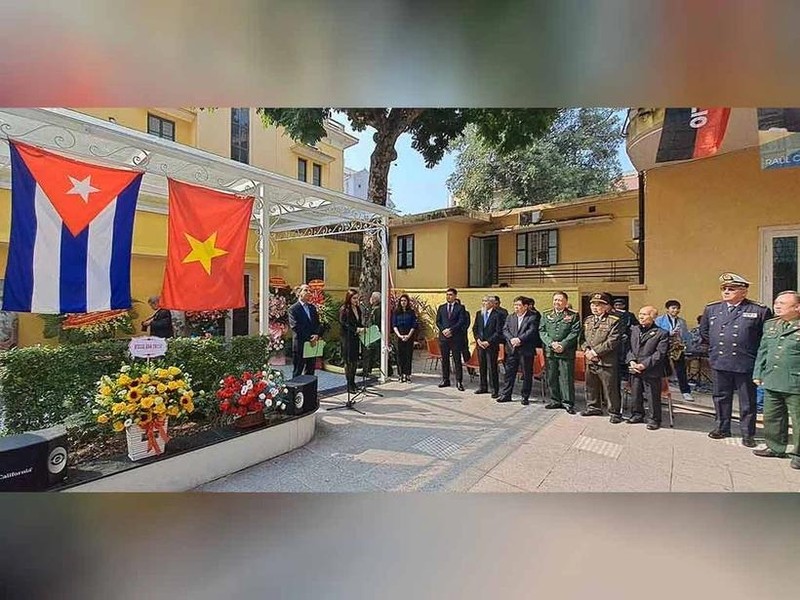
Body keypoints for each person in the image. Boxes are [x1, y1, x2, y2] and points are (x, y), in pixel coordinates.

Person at [700, 272, 772, 447]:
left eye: (731, 289)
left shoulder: (758, 310)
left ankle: (748, 433)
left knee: (747, 400)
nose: (726, 291)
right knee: (720, 397)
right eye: (724, 288)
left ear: (744, 291)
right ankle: (722, 427)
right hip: (720, 361)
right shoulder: (712, 309)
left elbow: (767, 337)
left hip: (745, 363)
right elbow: (704, 332)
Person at [752, 291, 800, 469]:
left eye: (782, 303)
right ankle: (775, 447)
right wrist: (758, 372)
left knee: (798, 420)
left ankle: (798, 454)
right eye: (776, 303)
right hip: (772, 379)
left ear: (797, 307)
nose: (777, 306)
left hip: (795, 382)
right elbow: (763, 351)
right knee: (772, 417)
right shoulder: (771, 325)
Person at [581, 292, 624, 422]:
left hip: (607, 360)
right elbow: (583, 339)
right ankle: (593, 407)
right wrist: (587, 350)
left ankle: (614, 413)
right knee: (591, 386)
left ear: (606, 306)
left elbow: (612, 341)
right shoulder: (588, 320)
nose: (595, 307)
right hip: (590, 359)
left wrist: (595, 352)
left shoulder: (614, 321)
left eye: (599, 305)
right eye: (593, 304)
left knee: (610, 388)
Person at [626, 306, 670, 430]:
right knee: (635, 393)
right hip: (635, 367)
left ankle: (654, 419)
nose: (641, 316)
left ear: (653, 317)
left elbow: (659, 354)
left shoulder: (661, 333)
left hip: (651, 369)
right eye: (640, 313)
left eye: (644, 314)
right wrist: (631, 361)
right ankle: (637, 414)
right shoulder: (634, 329)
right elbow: (628, 347)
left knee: (652, 396)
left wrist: (644, 364)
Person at [539, 291, 582, 414]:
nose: (557, 302)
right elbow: (542, 331)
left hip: (566, 352)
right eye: (555, 300)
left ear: (565, 302)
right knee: (551, 376)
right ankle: (555, 400)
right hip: (550, 351)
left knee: (566, 378)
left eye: (560, 300)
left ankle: (568, 402)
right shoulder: (546, 314)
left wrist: (563, 344)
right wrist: (551, 343)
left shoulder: (573, 315)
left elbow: (574, 332)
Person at [498, 296, 539, 405]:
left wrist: (520, 339)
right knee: (509, 373)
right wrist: (511, 339)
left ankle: (525, 396)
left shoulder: (532, 317)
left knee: (526, 374)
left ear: (525, 306)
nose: (516, 307)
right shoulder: (510, 317)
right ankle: (506, 394)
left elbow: (532, 331)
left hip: (525, 350)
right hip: (512, 349)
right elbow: (505, 329)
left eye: (519, 305)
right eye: (515, 305)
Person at [655, 299, 694, 401]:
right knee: (662, 370)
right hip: (663, 347)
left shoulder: (682, 322)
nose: (676, 310)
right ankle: (661, 391)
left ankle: (686, 392)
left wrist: (687, 347)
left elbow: (686, 336)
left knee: (681, 370)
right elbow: (656, 333)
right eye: (673, 308)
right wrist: (669, 333)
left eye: (677, 308)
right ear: (667, 309)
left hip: (676, 347)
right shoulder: (659, 320)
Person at [435, 288, 470, 391]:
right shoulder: (442, 308)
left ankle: (459, 381)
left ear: (455, 296)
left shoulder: (460, 308)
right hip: (444, 338)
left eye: (450, 295)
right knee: (445, 359)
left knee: (457, 359)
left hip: (455, 337)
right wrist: (444, 330)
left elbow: (461, 321)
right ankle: (445, 379)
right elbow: (438, 321)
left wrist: (451, 330)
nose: (448, 296)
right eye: (447, 295)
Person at [472, 296, 505, 398]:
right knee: (482, 366)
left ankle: (494, 389)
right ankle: (483, 386)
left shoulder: (498, 315)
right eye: (483, 301)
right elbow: (475, 328)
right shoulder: (479, 313)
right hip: (480, 345)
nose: (484, 303)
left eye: (486, 301)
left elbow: (498, 331)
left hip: (491, 345)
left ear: (492, 303)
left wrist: (488, 341)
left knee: (492, 367)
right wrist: (478, 340)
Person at [288, 284, 321, 378]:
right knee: (298, 370)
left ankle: (308, 392)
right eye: (306, 290)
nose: (309, 293)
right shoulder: (293, 309)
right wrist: (309, 338)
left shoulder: (312, 308)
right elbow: (295, 327)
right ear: (299, 293)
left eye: (310, 291)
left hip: (312, 344)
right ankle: (295, 391)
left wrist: (316, 335)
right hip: (300, 344)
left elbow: (317, 324)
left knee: (310, 370)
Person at [339, 288, 366, 393]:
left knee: (354, 361)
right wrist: (356, 329)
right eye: (354, 298)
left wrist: (362, 328)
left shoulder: (358, 309)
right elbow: (344, 324)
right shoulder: (344, 309)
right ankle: (349, 384)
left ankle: (353, 382)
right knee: (348, 361)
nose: (356, 300)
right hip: (347, 338)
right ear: (349, 298)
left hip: (355, 338)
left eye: (357, 298)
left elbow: (358, 322)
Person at [392, 293, 418, 383]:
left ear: (407, 302)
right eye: (402, 301)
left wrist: (408, 336)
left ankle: (407, 375)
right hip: (399, 336)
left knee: (408, 356)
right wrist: (399, 335)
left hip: (409, 336)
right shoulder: (396, 312)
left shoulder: (411, 312)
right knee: (399, 356)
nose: (403, 302)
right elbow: (394, 325)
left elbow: (414, 325)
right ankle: (400, 375)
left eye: (405, 301)